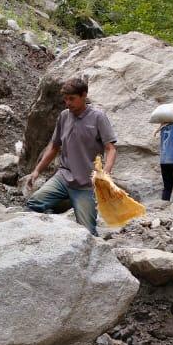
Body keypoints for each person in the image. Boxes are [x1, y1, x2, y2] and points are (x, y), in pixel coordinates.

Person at [25, 77, 117, 236]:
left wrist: (106, 173)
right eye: (65, 99)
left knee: (87, 233)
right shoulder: (64, 116)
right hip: (63, 177)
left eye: (72, 99)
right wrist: (36, 171)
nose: (68, 103)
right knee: (33, 203)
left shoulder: (98, 118)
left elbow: (111, 149)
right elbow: (54, 147)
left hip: (86, 185)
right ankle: (56, 232)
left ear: (84, 95)